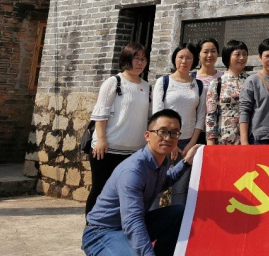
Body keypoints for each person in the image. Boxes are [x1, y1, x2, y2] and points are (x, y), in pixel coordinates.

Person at [82, 109, 200, 256]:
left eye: (174, 133)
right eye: (162, 131)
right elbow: (132, 221)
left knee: (181, 214)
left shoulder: (160, 161)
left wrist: (186, 162)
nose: (168, 138)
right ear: (147, 135)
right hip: (103, 232)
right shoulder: (133, 171)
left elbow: (163, 182)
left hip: (130, 224)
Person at [85, 42, 151, 215]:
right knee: (100, 189)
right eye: (136, 58)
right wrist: (101, 140)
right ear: (126, 59)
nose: (140, 62)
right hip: (108, 149)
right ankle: (92, 226)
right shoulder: (114, 82)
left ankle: (116, 227)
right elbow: (100, 114)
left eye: (143, 59)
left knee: (125, 193)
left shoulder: (146, 87)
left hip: (134, 152)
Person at [151, 43, 205, 206]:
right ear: (174, 59)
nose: (184, 61)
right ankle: (151, 220)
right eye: (181, 57)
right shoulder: (164, 82)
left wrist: (192, 143)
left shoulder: (198, 85)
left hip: (187, 142)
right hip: (163, 141)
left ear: (194, 60)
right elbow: (157, 114)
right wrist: (171, 141)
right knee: (156, 187)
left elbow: (200, 116)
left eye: (188, 58)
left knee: (181, 189)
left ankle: (177, 221)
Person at [239, 38, 269, 145]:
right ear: (260, 57)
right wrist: (244, 141)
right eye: (267, 56)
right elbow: (244, 111)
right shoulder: (252, 81)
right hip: (259, 138)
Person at [205, 39, 249, 145]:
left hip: (249, 137)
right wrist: (210, 143)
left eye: (244, 54)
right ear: (228, 56)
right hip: (224, 138)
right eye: (237, 54)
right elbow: (211, 115)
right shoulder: (217, 83)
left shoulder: (251, 81)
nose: (242, 58)